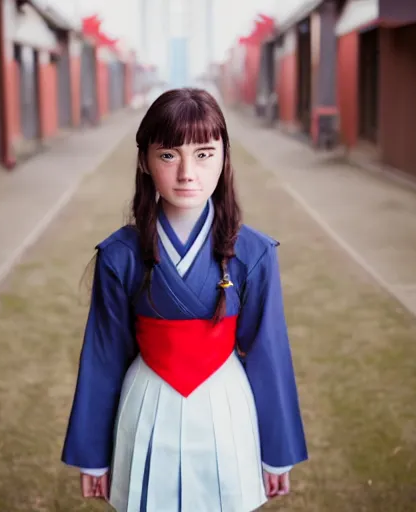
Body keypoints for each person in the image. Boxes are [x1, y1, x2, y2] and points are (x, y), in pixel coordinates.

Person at [62, 88, 308, 511]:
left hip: (224, 402)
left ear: (224, 157)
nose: (187, 173)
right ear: (145, 160)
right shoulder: (120, 255)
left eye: (204, 154)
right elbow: (103, 354)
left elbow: (268, 352)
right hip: (147, 402)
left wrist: (277, 451)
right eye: (169, 155)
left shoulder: (254, 253)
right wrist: (93, 457)